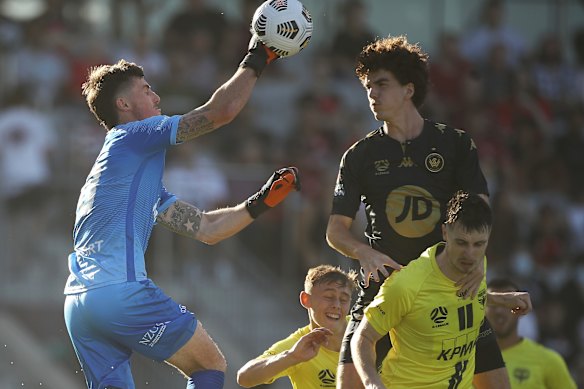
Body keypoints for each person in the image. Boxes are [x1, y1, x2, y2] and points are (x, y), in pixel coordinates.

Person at [63, 32, 298, 389]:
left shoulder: (127, 173)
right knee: (209, 364)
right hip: (119, 292)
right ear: (123, 105)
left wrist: (260, 202)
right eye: (146, 90)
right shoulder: (134, 136)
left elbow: (206, 229)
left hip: (79, 304)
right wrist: (258, 55)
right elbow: (221, 113)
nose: (156, 97)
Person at [325, 35, 509, 389]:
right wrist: (365, 253)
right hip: (384, 289)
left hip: (449, 287)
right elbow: (335, 231)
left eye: (381, 84)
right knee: (348, 383)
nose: (372, 94)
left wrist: (479, 268)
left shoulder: (454, 144)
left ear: (409, 89)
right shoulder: (359, 156)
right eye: (367, 87)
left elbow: (480, 212)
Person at [350, 191, 532, 388]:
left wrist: (500, 300)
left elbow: (452, 297)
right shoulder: (407, 285)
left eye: (479, 244)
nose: (470, 254)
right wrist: (371, 383)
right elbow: (363, 337)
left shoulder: (478, 266)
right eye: (461, 243)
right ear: (445, 232)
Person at [237, 264, 359, 388]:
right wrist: (292, 357)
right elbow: (244, 378)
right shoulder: (300, 346)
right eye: (328, 297)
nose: (337, 305)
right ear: (306, 300)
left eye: (344, 299)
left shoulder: (366, 328)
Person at [486, 278, 577, 388]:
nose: (499, 311)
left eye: (507, 303)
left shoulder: (548, 360)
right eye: (493, 303)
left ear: (520, 309)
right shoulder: (467, 357)